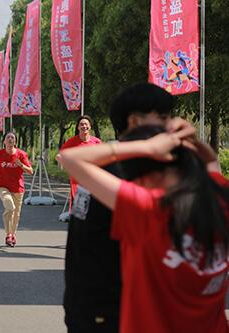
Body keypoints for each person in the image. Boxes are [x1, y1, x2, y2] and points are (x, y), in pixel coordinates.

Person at [59, 124, 228, 333]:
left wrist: (146, 147)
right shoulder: (220, 200)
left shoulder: (150, 210)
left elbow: (71, 159)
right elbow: (212, 164)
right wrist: (193, 145)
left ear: (151, 176)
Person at [57, 83, 192, 333]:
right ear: (135, 121)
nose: (169, 126)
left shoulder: (105, 167)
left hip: (87, 306)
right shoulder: (127, 173)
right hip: (110, 311)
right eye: (163, 117)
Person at [0, 132, 33, 247]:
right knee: (10, 206)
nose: (10, 139)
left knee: (16, 214)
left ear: (15, 142)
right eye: (8, 137)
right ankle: (8, 234)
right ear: (4, 141)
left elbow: (30, 171)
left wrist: (21, 165)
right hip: (3, 186)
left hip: (18, 188)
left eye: (12, 138)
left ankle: (12, 234)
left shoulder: (21, 154)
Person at [60, 115, 102, 212]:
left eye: (86, 124)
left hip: (93, 180)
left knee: (93, 210)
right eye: (81, 124)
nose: (84, 126)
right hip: (77, 181)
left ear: (90, 126)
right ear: (78, 127)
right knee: (79, 212)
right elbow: (60, 156)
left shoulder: (96, 142)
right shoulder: (72, 142)